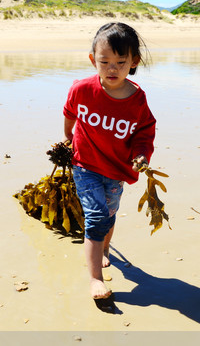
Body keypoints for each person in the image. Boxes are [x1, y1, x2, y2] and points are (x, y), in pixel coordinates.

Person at [62, 22, 156, 304]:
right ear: (93, 60)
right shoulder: (81, 89)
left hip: (116, 170)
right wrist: (68, 137)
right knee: (96, 217)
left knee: (110, 213)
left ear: (134, 62)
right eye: (104, 62)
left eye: (120, 62)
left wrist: (142, 155)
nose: (112, 68)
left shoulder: (137, 99)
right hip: (85, 165)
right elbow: (69, 113)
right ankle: (95, 280)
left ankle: (105, 249)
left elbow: (144, 131)